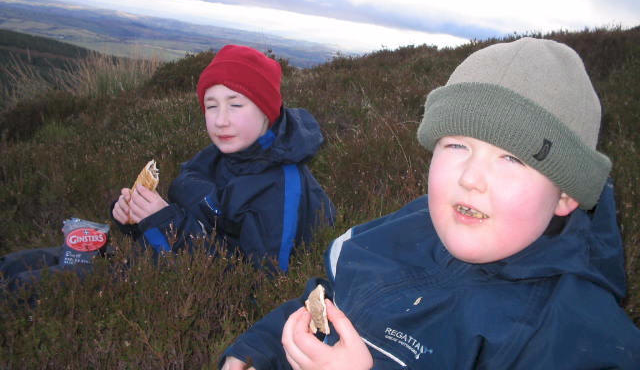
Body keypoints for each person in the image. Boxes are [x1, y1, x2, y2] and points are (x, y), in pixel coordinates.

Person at [220, 37, 640, 369]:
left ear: (565, 194)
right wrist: (261, 351)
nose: (470, 177)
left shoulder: (573, 340)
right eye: (456, 144)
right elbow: (326, 302)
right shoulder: (391, 235)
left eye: (512, 158)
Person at [111, 44, 335, 272]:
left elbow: (259, 284)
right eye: (211, 106)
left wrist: (167, 223)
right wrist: (139, 219)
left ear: (266, 110)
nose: (220, 120)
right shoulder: (218, 155)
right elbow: (201, 223)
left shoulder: (281, 189)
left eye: (235, 104)